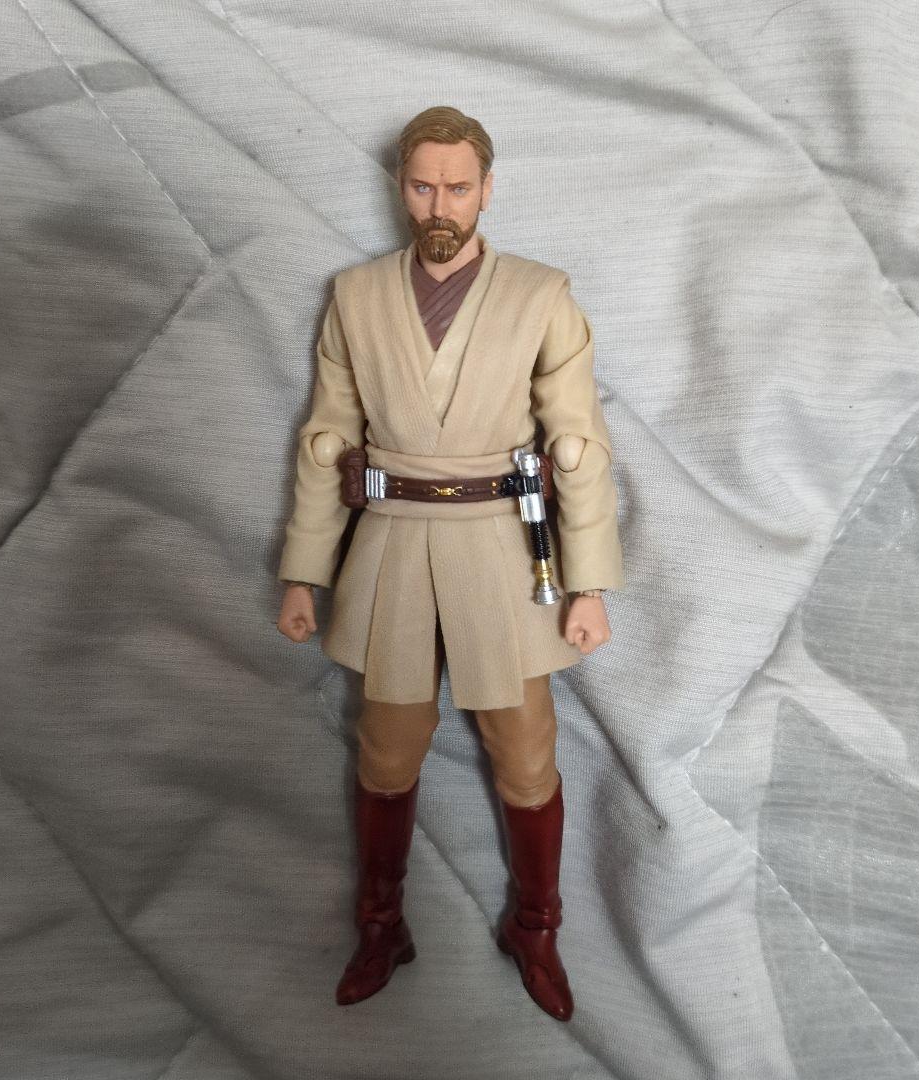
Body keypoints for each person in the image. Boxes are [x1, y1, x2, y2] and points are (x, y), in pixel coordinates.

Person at [275, 106, 623, 1022]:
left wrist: (587, 584)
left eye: (458, 187)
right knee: (386, 752)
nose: (440, 204)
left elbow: (578, 444)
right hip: (390, 544)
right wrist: (305, 572)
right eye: (424, 185)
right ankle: (380, 924)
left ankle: (536, 926)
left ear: (487, 190)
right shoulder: (357, 296)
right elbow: (327, 440)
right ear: (401, 186)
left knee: (525, 753)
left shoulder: (540, 296)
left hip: (503, 549)